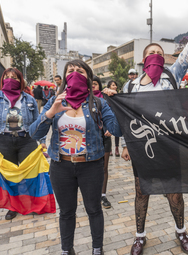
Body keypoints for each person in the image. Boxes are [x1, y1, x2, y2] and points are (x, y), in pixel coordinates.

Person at [108, 1, 188, 254]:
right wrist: (123, 145)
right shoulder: (130, 87)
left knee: (174, 195)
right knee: (141, 193)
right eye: (150, 52)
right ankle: (139, 236)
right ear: (143, 59)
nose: (154, 55)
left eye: (158, 52)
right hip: (142, 150)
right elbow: (125, 119)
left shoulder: (171, 75)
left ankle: (181, 231)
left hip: (169, 148)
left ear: (163, 58)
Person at [29, 59, 122, 255]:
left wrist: (116, 103)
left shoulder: (98, 102)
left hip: (91, 166)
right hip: (61, 166)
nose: (74, 74)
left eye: (80, 71)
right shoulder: (55, 102)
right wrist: (50, 113)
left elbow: (116, 130)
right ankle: (66, 250)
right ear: (64, 77)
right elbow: (34, 134)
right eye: (70, 71)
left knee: (94, 210)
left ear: (88, 77)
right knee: (66, 212)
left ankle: (97, 249)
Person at [0, 68, 44, 220]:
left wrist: (42, 142)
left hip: (26, 140)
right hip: (4, 141)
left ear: (21, 80)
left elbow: (38, 122)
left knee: (30, 174)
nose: (10, 79)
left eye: (14, 77)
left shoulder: (29, 99)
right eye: (7, 77)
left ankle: (32, 204)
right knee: (10, 176)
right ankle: (13, 207)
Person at [93, 75, 113, 209]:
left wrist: (111, 128)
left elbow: (114, 114)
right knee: (92, 168)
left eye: (95, 83)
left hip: (105, 137)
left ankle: (103, 194)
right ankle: (92, 193)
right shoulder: (84, 99)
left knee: (104, 167)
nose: (93, 85)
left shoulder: (106, 98)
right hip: (92, 139)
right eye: (91, 83)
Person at [107, 80, 120, 156]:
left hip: (117, 114)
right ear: (109, 87)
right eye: (113, 85)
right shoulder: (106, 95)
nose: (115, 86)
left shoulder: (118, 95)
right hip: (109, 114)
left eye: (115, 85)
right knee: (108, 132)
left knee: (117, 132)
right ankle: (110, 149)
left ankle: (117, 148)